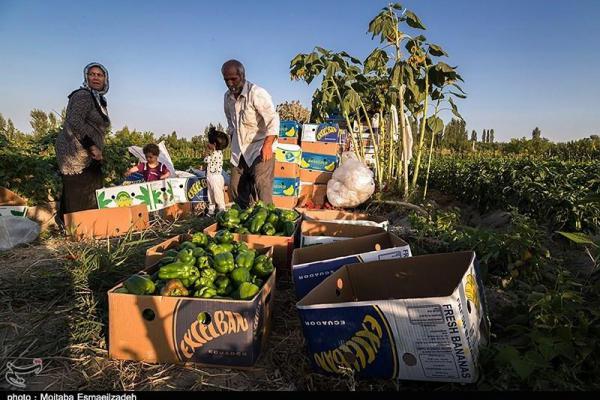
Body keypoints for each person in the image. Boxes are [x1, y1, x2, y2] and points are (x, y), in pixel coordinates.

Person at [222, 59, 279, 209]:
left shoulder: (257, 93)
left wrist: (267, 145)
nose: (230, 84)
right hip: (239, 151)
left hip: (259, 148)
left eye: (233, 79)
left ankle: (268, 221)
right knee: (234, 187)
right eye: (226, 80)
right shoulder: (227, 98)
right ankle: (245, 216)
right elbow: (231, 124)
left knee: (262, 185)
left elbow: (273, 120)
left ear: (242, 75)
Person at [55, 62, 110, 219]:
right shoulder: (84, 95)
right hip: (76, 152)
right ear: (86, 77)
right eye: (92, 74)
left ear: (105, 79)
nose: (96, 77)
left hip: (85, 152)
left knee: (86, 188)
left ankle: (68, 225)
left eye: (100, 75)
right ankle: (81, 227)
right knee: (81, 190)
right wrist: (92, 146)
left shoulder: (97, 98)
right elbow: (74, 121)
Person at [203, 127, 229, 214]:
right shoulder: (217, 152)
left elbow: (206, 160)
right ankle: (211, 209)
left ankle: (222, 209)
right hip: (211, 177)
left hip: (215, 178)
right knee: (210, 194)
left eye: (209, 142)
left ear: (214, 144)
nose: (207, 144)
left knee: (217, 195)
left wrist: (206, 154)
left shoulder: (216, 154)